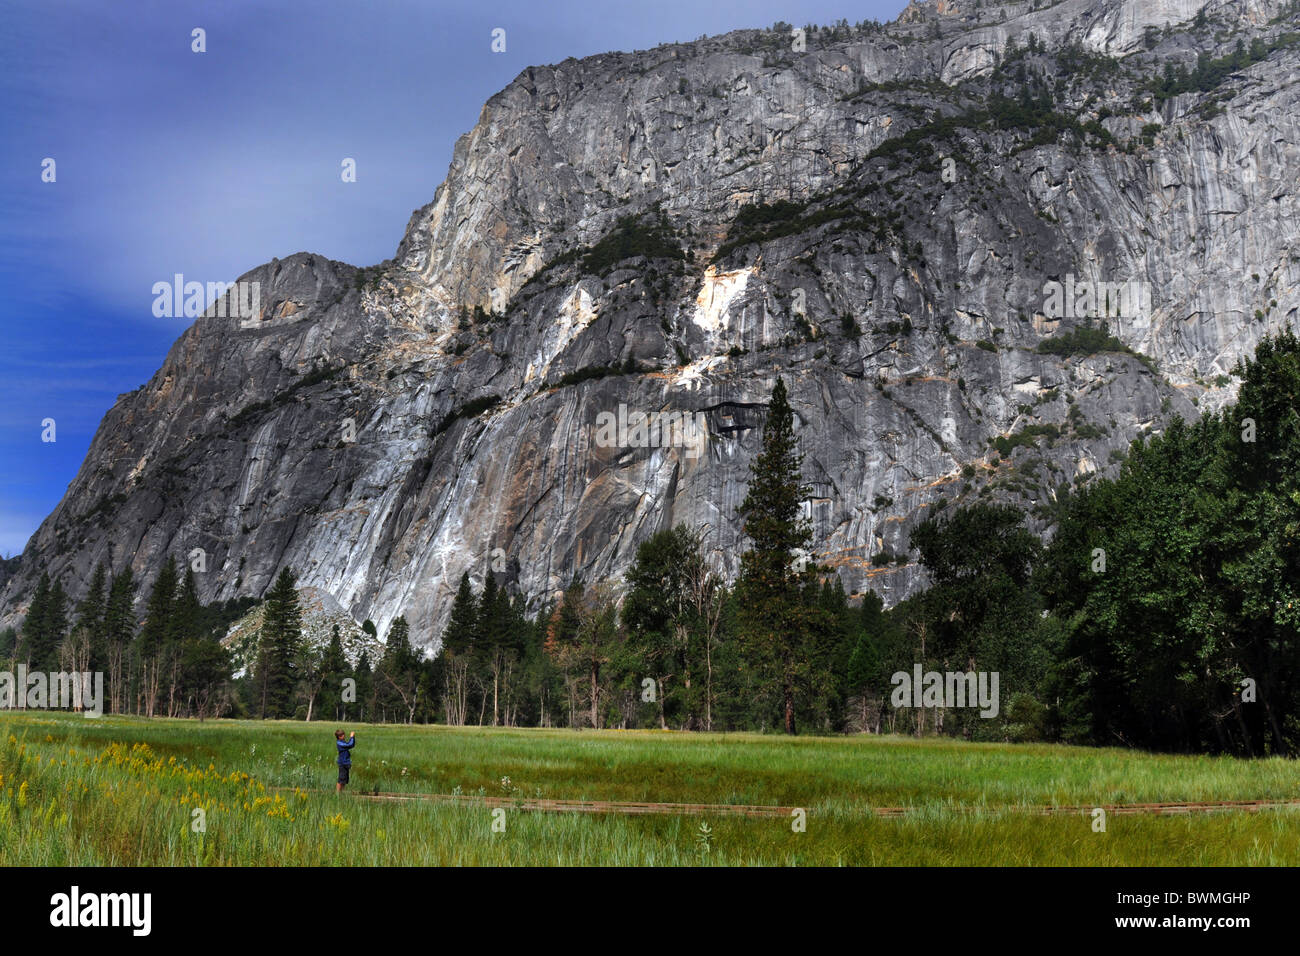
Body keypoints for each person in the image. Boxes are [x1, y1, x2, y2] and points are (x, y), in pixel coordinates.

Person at [335, 729, 356, 793]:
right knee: (341, 779)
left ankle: (341, 793)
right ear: (339, 736)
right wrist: (352, 737)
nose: (344, 736)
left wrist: (352, 738)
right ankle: (337, 794)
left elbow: (351, 745)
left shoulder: (342, 742)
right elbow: (350, 745)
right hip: (342, 763)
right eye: (343, 735)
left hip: (346, 763)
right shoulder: (339, 743)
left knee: (344, 780)